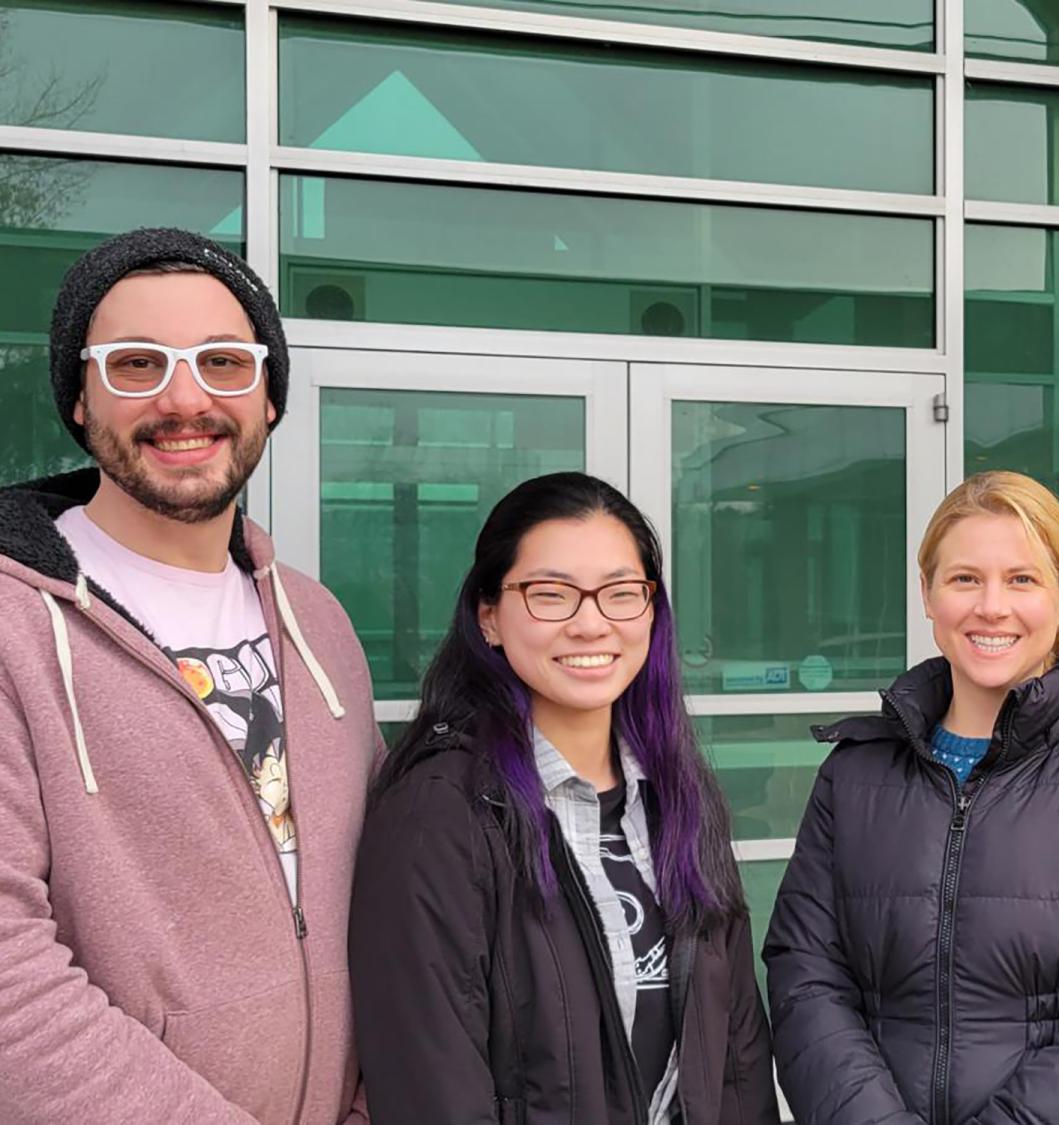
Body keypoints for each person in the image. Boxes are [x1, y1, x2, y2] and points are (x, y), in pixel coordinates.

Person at [0, 228, 380, 1123]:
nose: (184, 399)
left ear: (269, 397)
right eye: (136, 364)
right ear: (80, 398)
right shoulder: (14, 625)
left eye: (223, 362)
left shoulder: (318, 621)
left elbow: (384, 900)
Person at [764, 470, 1059, 1124]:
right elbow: (806, 978)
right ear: (927, 592)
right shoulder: (855, 774)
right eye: (965, 578)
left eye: (1021, 579)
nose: (992, 606)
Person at [348, 471, 778, 1124]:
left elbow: (737, 1056)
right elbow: (431, 1088)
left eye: (621, 593)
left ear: (651, 611)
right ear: (489, 616)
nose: (591, 624)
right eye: (551, 595)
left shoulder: (679, 796)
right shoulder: (439, 815)